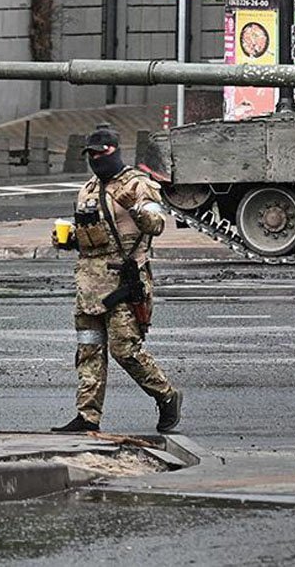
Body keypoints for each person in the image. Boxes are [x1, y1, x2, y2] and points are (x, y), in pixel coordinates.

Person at [51, 126, 183, 433]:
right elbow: (88, 236)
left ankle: (166, 395)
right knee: (89, 350)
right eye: (91, 154)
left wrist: (133, 207)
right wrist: (68, 239)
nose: (96, 158)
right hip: (88, 287)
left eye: (101, 152)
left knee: (125, 350)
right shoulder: (87, 189)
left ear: (115, 150)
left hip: (124, 282)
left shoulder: (138, 184)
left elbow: (157, 224)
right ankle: (87, 416)